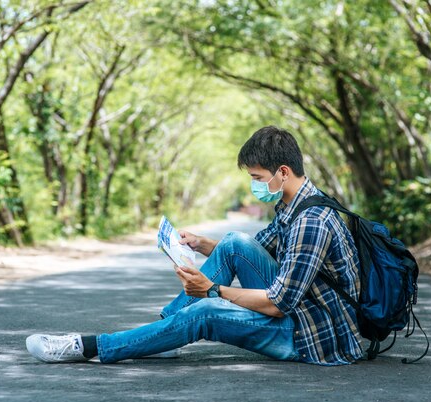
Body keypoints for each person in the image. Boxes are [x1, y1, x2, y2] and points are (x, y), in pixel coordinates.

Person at [26, 126, 364, 366]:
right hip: (304, 311)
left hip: (314, 336)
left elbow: (278, 304)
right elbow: (253, 250)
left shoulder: (312, 221)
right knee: (233, 242)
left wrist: (212, 290)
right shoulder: (296, 204)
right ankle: (164, 337)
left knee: (204, 312)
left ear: (283, 172)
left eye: (258, 178)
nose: (254, 186)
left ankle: (90, 347)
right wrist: (203, 245)